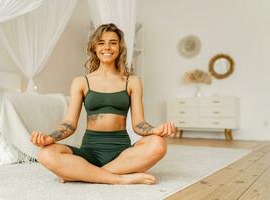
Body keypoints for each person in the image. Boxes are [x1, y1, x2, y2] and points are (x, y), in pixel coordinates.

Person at [30, 23, 176, 185]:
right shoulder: (81, 82)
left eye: (113, 42)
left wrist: (155, 130)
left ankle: (81, 173)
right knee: (45, 153)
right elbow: (70, 124)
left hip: (121, 154)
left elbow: (139, 124)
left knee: (158, 143)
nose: (107, 47)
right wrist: (49, 138)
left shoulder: (133, 82)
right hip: (89, 152)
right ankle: (119, 178)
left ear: (120, 47)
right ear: (94, 47)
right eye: (101, 43)